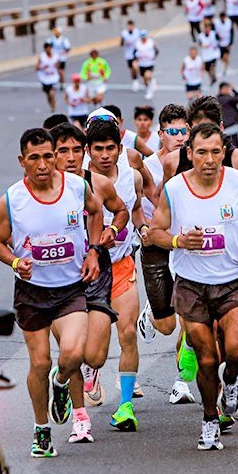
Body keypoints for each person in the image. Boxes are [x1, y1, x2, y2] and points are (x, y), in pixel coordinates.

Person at [147, 122, 238, 450]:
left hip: (230, 282)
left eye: (216, 152)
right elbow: (153, 233)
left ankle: (230, 382)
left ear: (224, 153)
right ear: (190, 154)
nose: (209, 159)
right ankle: (209, 419)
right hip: (190, 286)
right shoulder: (175, 188)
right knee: (205, 358)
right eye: (202, 152)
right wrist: (178, 240)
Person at [0, 127, 105, 458]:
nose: (42, 165)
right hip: (32, 292)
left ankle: (61, 382)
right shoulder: (12, 199)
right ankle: (42, 430)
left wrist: (94, 250)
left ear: (55, 156)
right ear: (22, 161)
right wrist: (14, 262)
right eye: (34, 158)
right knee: (39, 363)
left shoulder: (76, 187)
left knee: (73, 353)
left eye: (47, 156)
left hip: (70, 289)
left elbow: (96, 212)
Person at [48, 122, 129, 429]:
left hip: (95, 273)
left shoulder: (98, 184)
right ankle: (80, 417)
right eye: (62, 151)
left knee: (94, 356)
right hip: (57, 279)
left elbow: (120, 211)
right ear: (51, 155)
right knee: (72, 349)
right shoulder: (38, 190)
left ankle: (61, 378)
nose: (70, 157)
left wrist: (112, 229)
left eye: (76, 151)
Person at [84, 118, 146, 434]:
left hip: (122, 265)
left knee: (128, 332)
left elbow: (134, 212)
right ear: (88, 151)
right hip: (88, 273)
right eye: (98, 149)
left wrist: (143, 228)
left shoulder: (131, 178)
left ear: (120, 148)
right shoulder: (79, 181)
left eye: (111, 148)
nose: (105, 155)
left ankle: (125, 407)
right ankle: (87, 369)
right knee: (92, 351)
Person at [133, 105, 193, 404]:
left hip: (186, 246)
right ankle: (150, 314)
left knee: (190, 317)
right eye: (173, 132)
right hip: (157, 246)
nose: (180, 137)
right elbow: (138, 208)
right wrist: (144, 228)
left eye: (184, 131)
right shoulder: (148, 167)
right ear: (160, 134)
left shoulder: (196, 161)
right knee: (168, 324)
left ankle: (182, 381)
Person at [217, 81, 238, 149]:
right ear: (223, 89)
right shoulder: (228, 98)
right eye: (228, 89)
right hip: (231, 125)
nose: (228, 91)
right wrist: (234, 90)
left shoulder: (216, 99)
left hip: (224, 126)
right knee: (234, 146)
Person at [37, 41, 60, 111]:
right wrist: (42, 67)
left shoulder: (55, 56)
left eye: (49, 48)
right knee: (48, 96)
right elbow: (36, 67)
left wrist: (57, 66)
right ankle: (51, 105)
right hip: (45, 78)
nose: (48, 50)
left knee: (51, 93)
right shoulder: (42, 57)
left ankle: (53, 106)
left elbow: (58, 65)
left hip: (53, 77)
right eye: (47, 48)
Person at [197, 18, 221, 87]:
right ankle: (213, 78)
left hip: (214, 54)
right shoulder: (201, 36)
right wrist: (202, 45)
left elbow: (219, 40)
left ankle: (212, 79)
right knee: (207, 70)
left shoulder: (214, 34)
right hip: (206, 56)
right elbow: (199, 43)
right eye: (206, 28)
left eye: (208, 28)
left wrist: (219, 38)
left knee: (212, 67)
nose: (207, 30)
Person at [134, 31, 158, 96]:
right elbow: (135, 52)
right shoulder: (138, 43)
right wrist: (136, 60)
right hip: (142, 64)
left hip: (149, 64)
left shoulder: (150, 42)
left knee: (147, 76)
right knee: (144, 80)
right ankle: (151, 82)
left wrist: (154, 57)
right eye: (142, 37)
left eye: (144, 37)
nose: (143, 38)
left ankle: (150, 91)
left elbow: (156, 51)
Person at [119, 20, 141, 85]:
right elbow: (121, 44)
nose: (130, 27)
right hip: (128, 54)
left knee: (135, 67)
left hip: (136, 53)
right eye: (129, 26)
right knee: (131, 69)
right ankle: (135, 80)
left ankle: (139, 77)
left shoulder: (137, 32)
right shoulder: (124, 33)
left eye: (131, 26)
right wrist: (124, 43)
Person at [214, 12, 234, 76]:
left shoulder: (229, 22)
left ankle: (225, 70)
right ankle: (226, 65)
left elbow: (232, 32)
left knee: (226, 57)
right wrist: (217, 37)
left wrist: (230, 43)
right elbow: (214, 33)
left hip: (226, 43)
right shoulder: (216, 23)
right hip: (220, 44)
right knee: (221, 57)